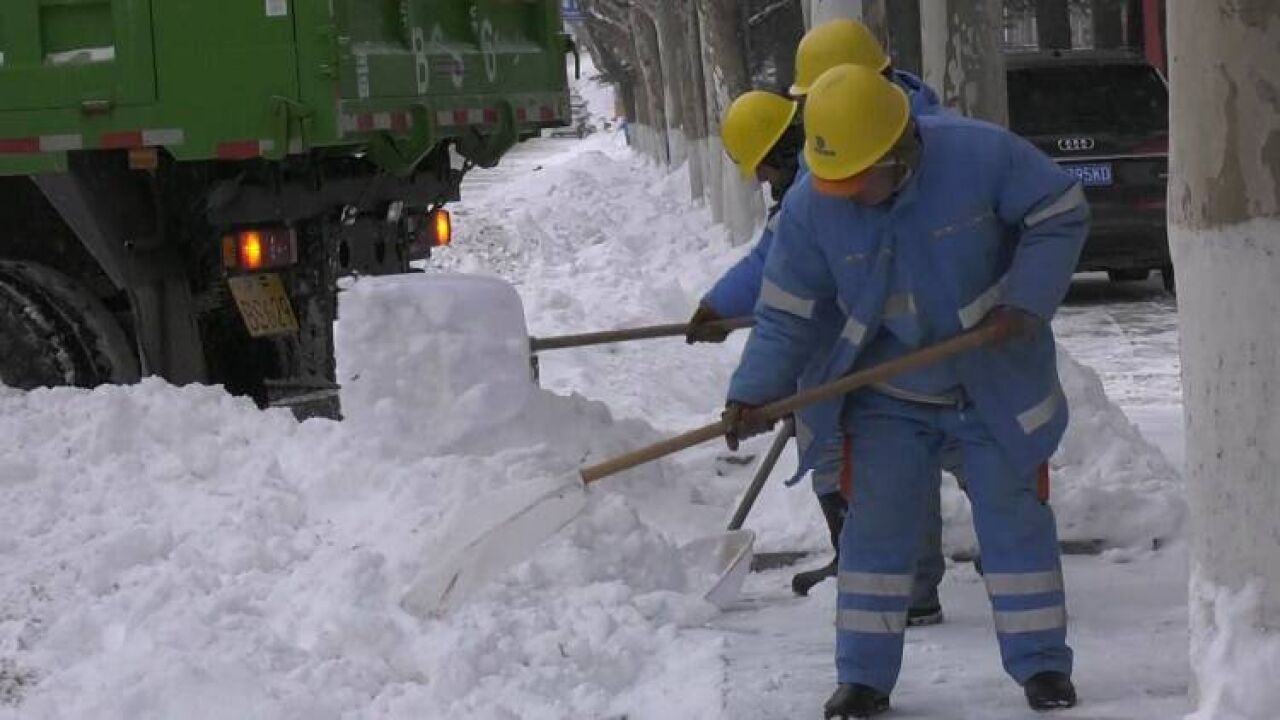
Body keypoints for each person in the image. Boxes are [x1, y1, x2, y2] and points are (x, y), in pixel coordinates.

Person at [722, 64, 1087, 717]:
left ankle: (1042, 668)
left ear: (902, 149)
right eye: (838, 182)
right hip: (890, 395)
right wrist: (752, 393)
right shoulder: (814, 205)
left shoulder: (980, 155)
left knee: (1016, 527)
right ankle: (863, 679)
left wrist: (1027, 301)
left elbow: (1059, 210)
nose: (849, 194)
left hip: (992, 380)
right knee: (875, 539)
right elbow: (787, 312)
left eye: (862, 179)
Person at [688, 19, 955, 626]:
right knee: (901, 463)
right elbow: (782, 258)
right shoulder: (905, 128)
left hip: (864, 342)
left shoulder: (849, 148)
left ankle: (894, 581)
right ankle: (897, 578)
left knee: (858, 460)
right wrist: (723, 308)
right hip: (898, 334)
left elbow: (782, 265)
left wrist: (736, 326)